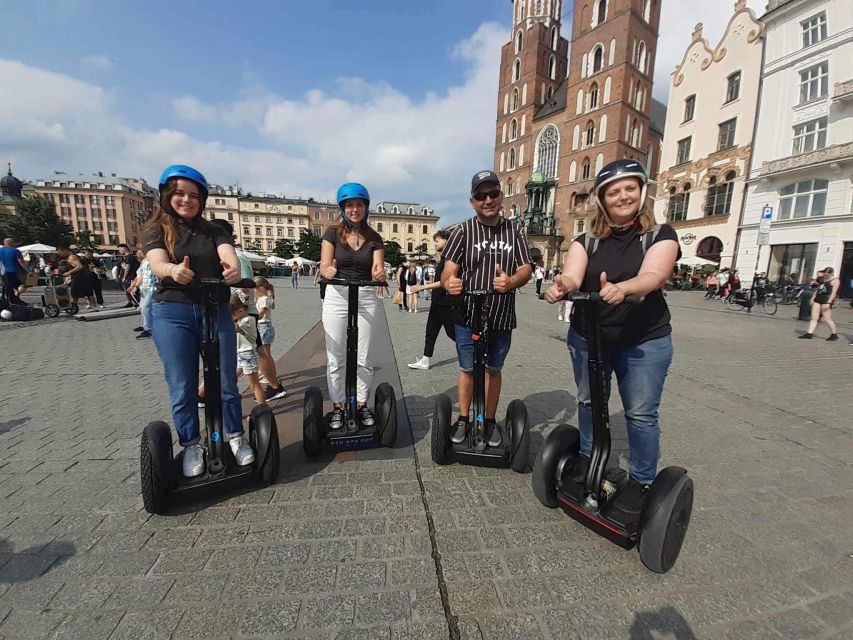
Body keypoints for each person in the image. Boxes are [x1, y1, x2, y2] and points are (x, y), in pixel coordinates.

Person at [544, 159, 680, 513]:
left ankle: (642, 480)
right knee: (590, 402)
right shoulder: (586, 240)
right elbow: (573, 273)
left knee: (639, 414)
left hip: (644, 340)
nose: (623, 196)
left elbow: (655, 274)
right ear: (602, 200)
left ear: (642, 192)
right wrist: (563, 285)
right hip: (589, 337)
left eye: (630, 189)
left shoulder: (660, 234)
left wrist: (625, 288)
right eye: (614, 191)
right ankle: (590, 458)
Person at [143, 164, 254, 478]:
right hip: (173, 312)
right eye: (179, 193)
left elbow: (227, 256)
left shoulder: (213, 230)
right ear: (167, 196)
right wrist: (172, 271)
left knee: (227, 382)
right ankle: (192, 443)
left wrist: (232, 270)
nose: (186, 200)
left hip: (214, 309)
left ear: (202, 200)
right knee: (183, 385)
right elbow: (157, 263)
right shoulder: (156, 229)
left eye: (193, 195)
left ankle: (234, 435)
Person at [441, 170, 533, 448]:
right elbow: (448, 271)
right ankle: (465, 418)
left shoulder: (515, 230)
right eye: (481, 196)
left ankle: (490, 420)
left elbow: (526, 267)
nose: (488, 200)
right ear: (473, 201)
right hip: (467, 314)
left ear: (501, 197)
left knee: (493, 368)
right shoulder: (462, 231)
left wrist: (512, 281)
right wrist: (450, 283)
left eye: (493, 194)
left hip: (501, 315)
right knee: (468, 368)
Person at [319, 182, 386, 430]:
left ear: (365, 207)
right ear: (343, 208)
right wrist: (328, 269)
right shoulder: (331, 233)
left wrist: (379, 274)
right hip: (337, 294)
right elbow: (324, 265)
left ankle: (360, 403)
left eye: (359, 204)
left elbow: (378, 267)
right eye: (350, 205)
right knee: (335, 356)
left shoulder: (374, 237)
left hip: (366, 296)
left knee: (363, 356)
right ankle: (337, 406)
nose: (354, 209)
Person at [211, 220, 287, 401]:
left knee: (255, 353)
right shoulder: (222, 256)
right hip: (236, 313)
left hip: (241, 313)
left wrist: (234, 307)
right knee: (250, 353)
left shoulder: (236, 255)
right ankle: (273, 386)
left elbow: (244, 286)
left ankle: (273, 387)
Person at [408, 229, 456, 370]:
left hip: (445, 302)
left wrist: (421, 287)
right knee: (431, 331)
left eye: (437, 241)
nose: (434, 244)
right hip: (437, 300)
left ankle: (474, 351)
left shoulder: (450, 259)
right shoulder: (443, 258)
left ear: (446, 240)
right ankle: (425, 360)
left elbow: (444, 281)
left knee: (452, 332)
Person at [253, 276, 283, 392]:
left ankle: (267, 375)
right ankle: (272, 373)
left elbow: (261, 313)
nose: (254, 291)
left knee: (264, 354)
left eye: (255, 288)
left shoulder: (264, 299)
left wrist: (251, 319)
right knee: (266, 354)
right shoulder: (262, 298)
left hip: (263, 326)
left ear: (262, 287)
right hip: (264, 326)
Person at [800, 267, 839, 341]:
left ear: (831, 274)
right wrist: (813, 298)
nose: (825, 275)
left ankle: (834, 334)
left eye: (827, 274)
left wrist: (829, 302)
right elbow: (818, 289)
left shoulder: (835, 280)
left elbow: (833, 293)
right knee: (814, 317)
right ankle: (809, 333)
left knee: (827, 318)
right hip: (818, 298)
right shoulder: (822, 279)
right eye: (824, 274)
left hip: (826, 299)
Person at [57, 245, 98, 311]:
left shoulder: (71, 257)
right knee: (88, 292)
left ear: (64, 251)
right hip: (84, 275)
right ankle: (95, 307)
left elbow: (79, 266)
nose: (61, 255)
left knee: (74, 293)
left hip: (78, 277)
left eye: (61, 253)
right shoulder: (75, 256)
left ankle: (74, 308)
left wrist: (68, 272)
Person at [129, 248, 156, 338]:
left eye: (139, 251)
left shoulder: (153, 260)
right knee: (143, 308)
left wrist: (135, 286)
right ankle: (145, 325)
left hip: (151, 287)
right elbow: (140, 275)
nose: (137, 253)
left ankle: (149, 329)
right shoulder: (144, 262)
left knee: (146, 308)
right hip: (144, 287)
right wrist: (134, 286)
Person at [0, 238, 27, 306]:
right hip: (16, 271)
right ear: (12, 243)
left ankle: (11, 300)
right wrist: (27, 270)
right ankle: (16, 296)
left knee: (8, 286)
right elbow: (20, 261)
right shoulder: (15, 250)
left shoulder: (0, 250)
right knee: (24, 284)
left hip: (4, 272)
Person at [118, 243, 140, 308]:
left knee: (130, 290)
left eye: (120, 249)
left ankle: (138, 303)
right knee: (130, 290)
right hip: (132, 276)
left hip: (130, 277)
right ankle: (133, 303)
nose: (119, 251)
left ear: (124, 248)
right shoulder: (131, 257)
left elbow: (128, 266)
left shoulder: (129, 257)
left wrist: (124, 277)